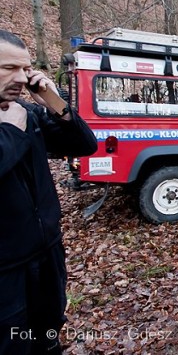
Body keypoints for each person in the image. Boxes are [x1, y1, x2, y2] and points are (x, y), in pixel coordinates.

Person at [0, 30, 98, 354]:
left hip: (47, 256)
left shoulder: (27, 114)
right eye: (8, 68)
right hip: (6, 272)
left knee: (48, 337)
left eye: (25, 69)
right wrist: (12, 130)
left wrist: (54, 103)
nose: (20, 78)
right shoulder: (17, 121)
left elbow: (85, 144)